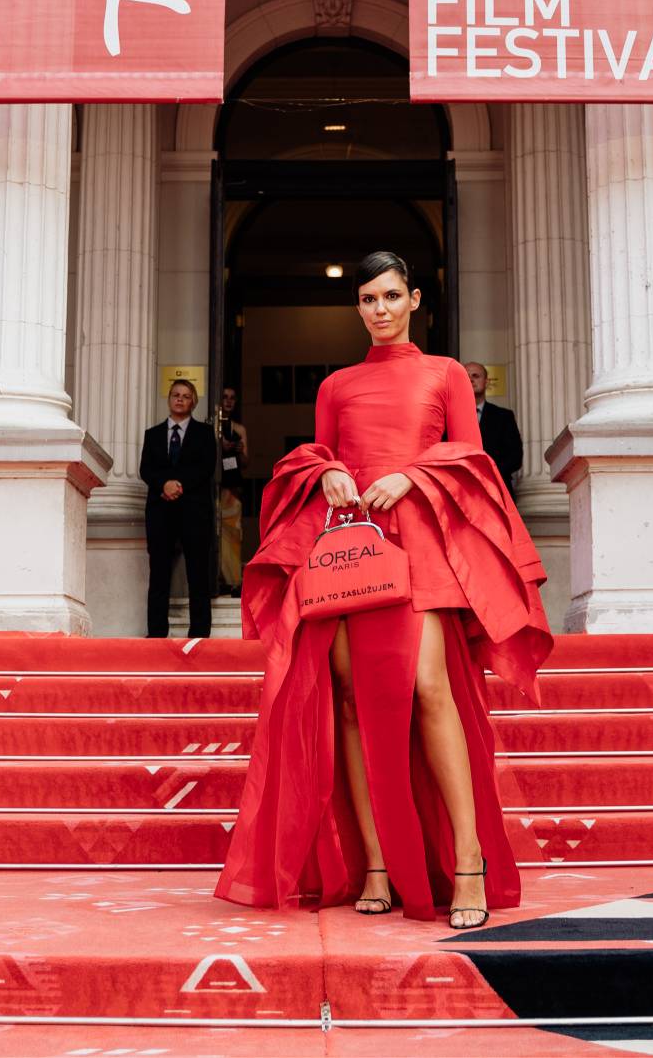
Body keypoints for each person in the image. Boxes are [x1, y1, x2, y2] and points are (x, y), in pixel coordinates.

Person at [216, 251, 552, 929]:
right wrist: (330, 470)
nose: (378, 309)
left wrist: (414, 475)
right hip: (350, 544)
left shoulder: (447, 373)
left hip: (421, 542)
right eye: (368, 299)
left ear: (415, 299)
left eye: (390, 295)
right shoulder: (336, 384)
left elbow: (475, 459)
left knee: (432, 690)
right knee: (346, 702)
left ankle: (467, 862)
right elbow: (319, 451)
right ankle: (375, 862)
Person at [140, 379, 217, 639]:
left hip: (194, 514)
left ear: (193, 401)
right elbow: (146, 469)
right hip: (161, 513)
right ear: (169, 399)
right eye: (175, 394)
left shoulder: (205, 434)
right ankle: (157, 633)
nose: (180, 399)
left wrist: (178, 485)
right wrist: (164, 484)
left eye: (185, 395)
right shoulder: (152, 434)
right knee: (159, 574)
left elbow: (206, 468)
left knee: (197, 574)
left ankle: (199, 633)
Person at [463, 360, 523, 492]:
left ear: (487, 382)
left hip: (498, 487)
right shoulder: (450, 416)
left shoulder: (504, 416)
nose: (471, 380)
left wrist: (490, 473)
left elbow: (515, 457)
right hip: (462, 489)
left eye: (476, 376)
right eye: (466, 377)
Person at [213, 386, 250, 596]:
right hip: (212, 487)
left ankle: (233, 581)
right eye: (224, 397)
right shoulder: (212, 426)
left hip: (232, 487)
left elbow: (246, 461)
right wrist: (220, 446)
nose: (228, 401)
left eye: (232, 398)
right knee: (213, 534)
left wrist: (236, 448)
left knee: (233, 534)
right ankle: (216, 579)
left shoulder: (239, 429)